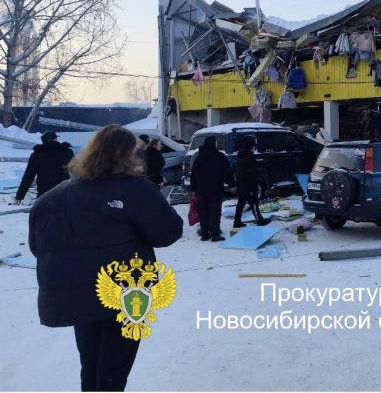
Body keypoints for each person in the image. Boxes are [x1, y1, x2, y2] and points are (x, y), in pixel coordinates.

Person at [28, 124, 183, 391]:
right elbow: (168, 232)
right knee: (113, 372)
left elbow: (38, 246)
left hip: (78, 296)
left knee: (91, 367)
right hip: (126, 295)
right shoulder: (136, 189)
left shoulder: (55, 196)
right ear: (129, 154)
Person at [189, 137, 235, 241]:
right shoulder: (220, 157)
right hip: (215, 189)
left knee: (203, 211)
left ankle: (204, 234)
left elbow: (193, 174)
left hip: (201, 190)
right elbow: (227, 172)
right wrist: (231, 184)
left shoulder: (199, 158)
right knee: (214, 211)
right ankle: (215, 234)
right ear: (214, 144)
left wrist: (193, 188)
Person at [12, 131, 74, 204]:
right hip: (63, 191)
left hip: (44, 193)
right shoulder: (67, 152)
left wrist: (20, 195)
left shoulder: (36, 155)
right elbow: (76, 172)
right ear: (55, 139)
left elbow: (28, 176)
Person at [233, 136, 269, 228]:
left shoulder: (240, 155)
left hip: (241, 183)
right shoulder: (249, 156)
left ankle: (237, 221)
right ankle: (259, 220)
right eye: (253, 145)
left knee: (241, 203)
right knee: (254, 203)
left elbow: (242, 170)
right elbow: (251, 172)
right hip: (249, 184)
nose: (254, 147)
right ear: (251, 146)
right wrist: (260, 172)